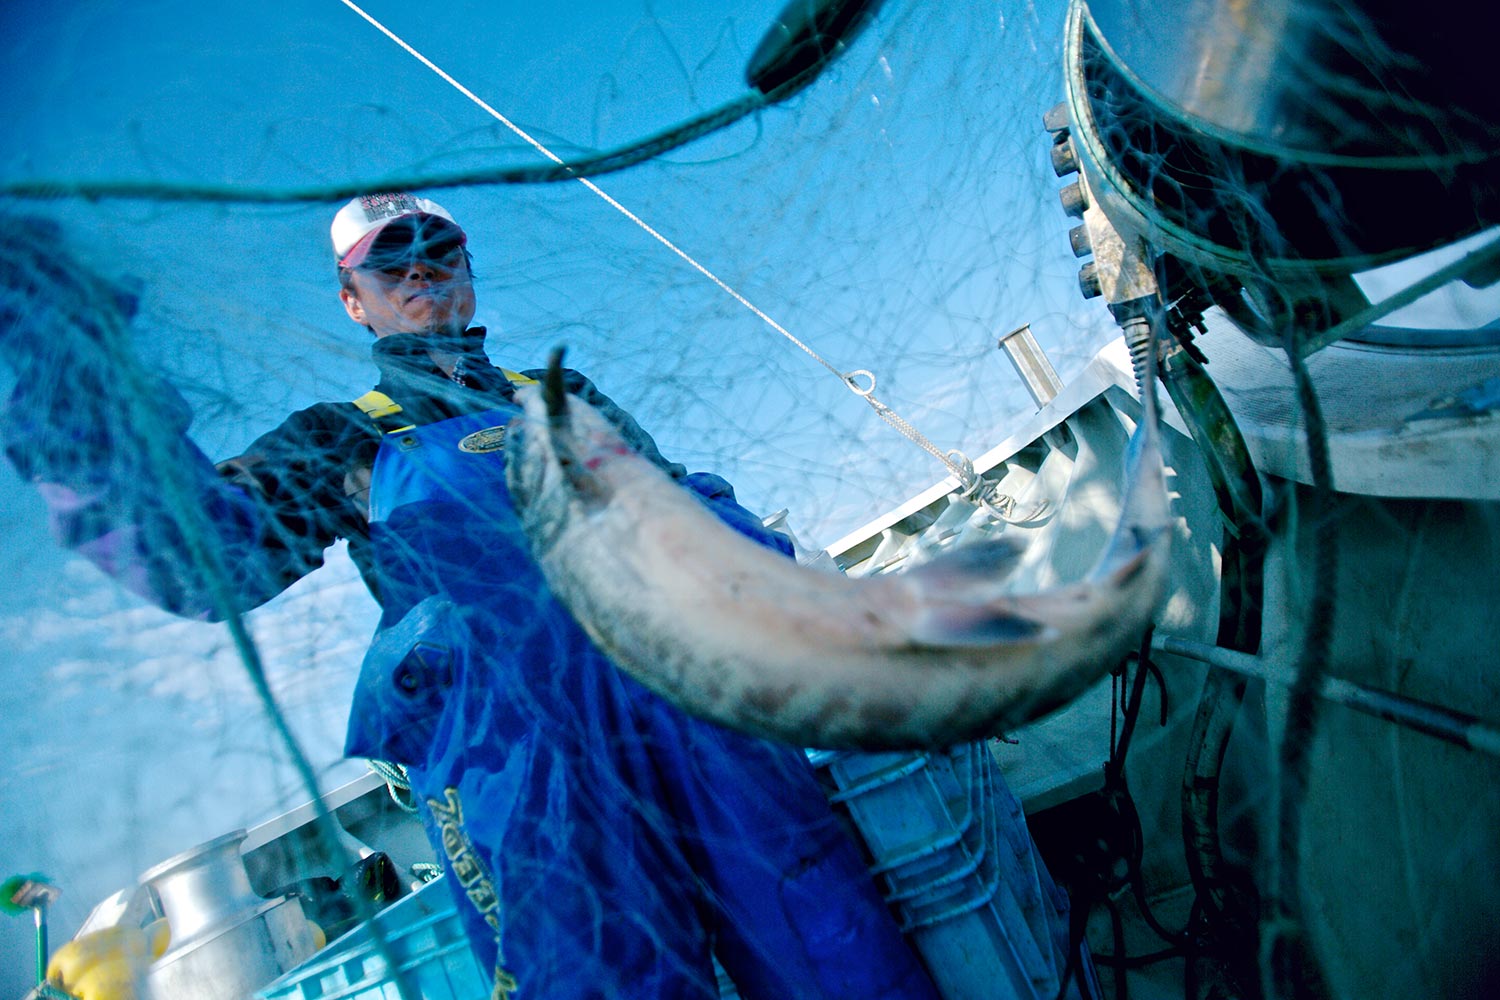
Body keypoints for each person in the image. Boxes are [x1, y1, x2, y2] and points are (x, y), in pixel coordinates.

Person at [3, 195, 942, 999]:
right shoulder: (339, 436)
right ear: (352, 300)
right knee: (590, 976)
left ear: (468, 271)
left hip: (699, 710)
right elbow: (209, 553)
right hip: (522, 765)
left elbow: (689, 511)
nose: (420, 273)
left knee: (825, 933)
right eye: (390, 264)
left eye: (438, 252)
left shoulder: (566, 398)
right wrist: (76, 390)